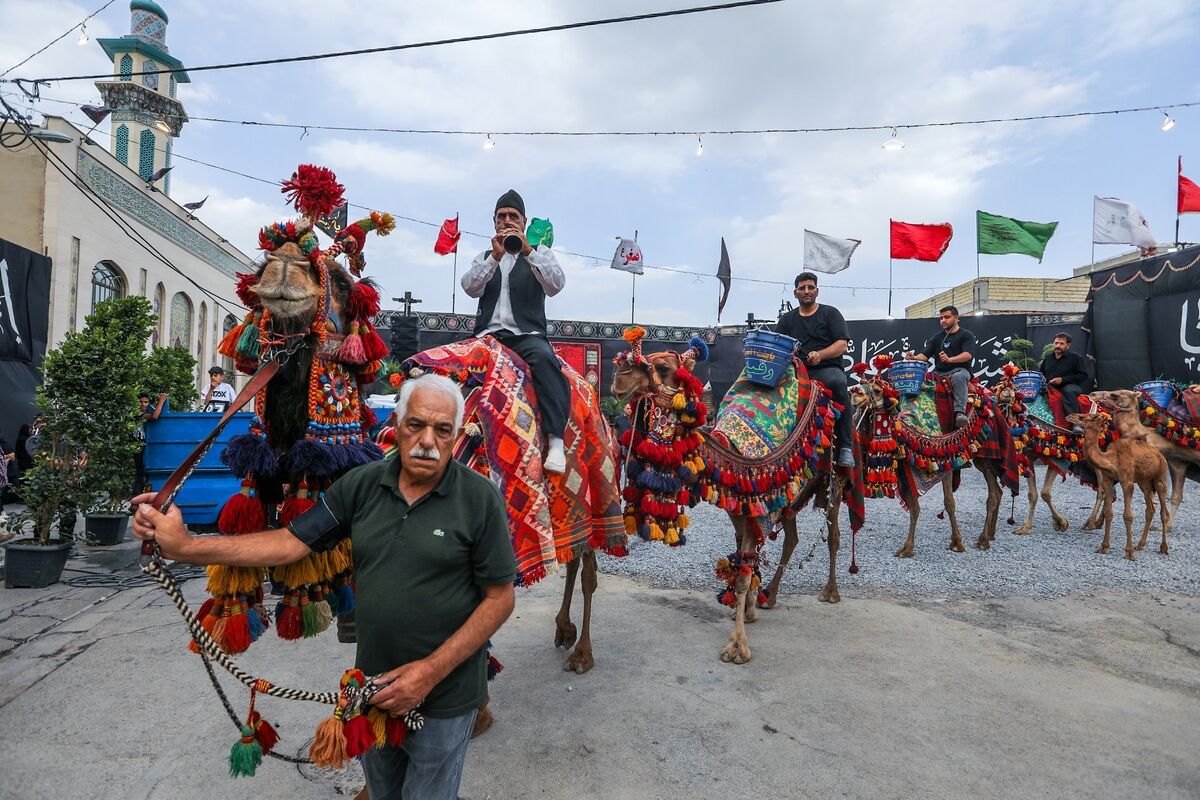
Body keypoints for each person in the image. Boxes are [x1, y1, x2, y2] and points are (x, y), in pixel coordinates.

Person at [131, 373, 517, 800]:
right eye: (416, 424)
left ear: (457, 435)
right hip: (372, 688)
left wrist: (429, 673)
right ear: (397, 424)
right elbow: (289, 543)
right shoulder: (364, 485)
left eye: (442, 429)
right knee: (383, 793)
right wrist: (185, 547)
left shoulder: (479, 498)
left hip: (445, 695)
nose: (428, 440)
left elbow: (500, 600)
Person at [461, 189, 569, 473]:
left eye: (513, 216)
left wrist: (528, 250)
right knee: (453, 361)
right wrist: (494, 258)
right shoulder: (484, 256)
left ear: (523, 222)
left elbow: (556, 285)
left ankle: (556, 442)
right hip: (487, 336)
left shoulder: (540, 253)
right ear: (494, 222)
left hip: (526, 336)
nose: (507, 221)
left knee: (545, 360)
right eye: (501, 216)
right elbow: (470, 288)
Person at [773, 271, 855, 468]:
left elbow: (842, 345)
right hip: (796, 371)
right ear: (795, 293)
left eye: (810, 287)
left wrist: (820, 355)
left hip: (827, 368)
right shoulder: (787, 319)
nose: (807, 291)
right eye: (802, 288)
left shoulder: (830, 313)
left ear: (817, 291)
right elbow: (777, 347)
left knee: (838, 383)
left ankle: (846, 446)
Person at [909, 305, 976, 430]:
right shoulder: (937, 337)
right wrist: (914, 357)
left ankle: (959, 413)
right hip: (939, 373)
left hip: (960, 370)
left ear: (956, 318)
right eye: (941, 318)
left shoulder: (966, 335)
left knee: (959, 377)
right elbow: (924, 355)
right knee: (924, 378)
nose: (943, 320)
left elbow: (968, 355)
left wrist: (950, 360)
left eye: (947, 317)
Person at [1038, 332, 1089, 415]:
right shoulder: (1048, 358)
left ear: (1068, 345)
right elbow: (1041, 374)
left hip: (1070, 386)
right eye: (1056, 343)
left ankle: (1073, 419)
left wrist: (1062, 380)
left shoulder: (1075, 357)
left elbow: (1083, 376)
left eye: (1061, 343)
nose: (1058, 346)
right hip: (1050, 386)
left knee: (1068, 391)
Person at [133, 392, 168, 495]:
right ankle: (136, 498)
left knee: (144, 475)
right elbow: (154, 416)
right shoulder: (135, 413)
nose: (143, 404)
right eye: (141, 402)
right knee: (141, 475)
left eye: (146, 402)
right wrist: (161, 401)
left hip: (144, 446)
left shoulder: (145, 412)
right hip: (137, 446)